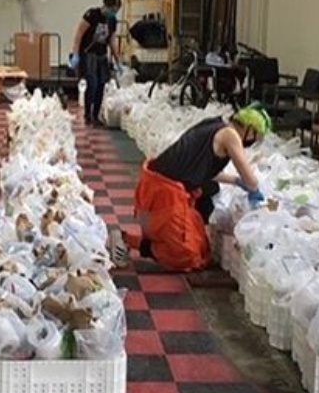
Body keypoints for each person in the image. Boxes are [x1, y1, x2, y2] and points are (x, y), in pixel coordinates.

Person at [111, 105, 271, 271]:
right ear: (250, 129)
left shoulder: (213, 125)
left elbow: (202, 168)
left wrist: (235, 181)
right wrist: (254, 190)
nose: (252, 141)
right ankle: (125, 239)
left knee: (201, 247)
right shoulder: (230, 135)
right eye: (256, 136)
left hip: (157, 185)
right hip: (165, 191)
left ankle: (135, 240)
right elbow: (250, 178)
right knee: (186, 255)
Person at [69, 0, 122, 126]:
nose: (113, 13)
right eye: (112, 10)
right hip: (88, 54)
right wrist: (75, 54)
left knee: (101, 85)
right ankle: (87, 115)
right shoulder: (91, 14)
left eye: (115, 11)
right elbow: (79, 34)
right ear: (105, 6)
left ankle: (95, 115)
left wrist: (118, 60)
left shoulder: (112, 21)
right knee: (92, 83)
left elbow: (111, 41)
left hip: (101, 55)